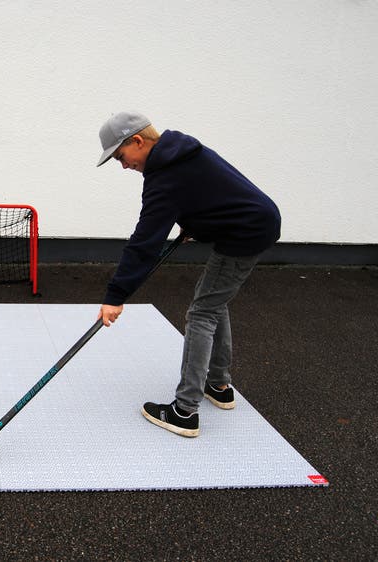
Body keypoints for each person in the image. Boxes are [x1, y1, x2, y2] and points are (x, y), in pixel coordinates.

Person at [95, 111, 281, 437]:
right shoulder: (182, 152)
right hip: (255, 224)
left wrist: (115, 296)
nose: (123, 166)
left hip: (245, 234)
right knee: (213, 302)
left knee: (202, 313)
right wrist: (195, 224)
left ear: (137, 141)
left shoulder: (165, 176)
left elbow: (144, 243)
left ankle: (184, 411)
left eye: (121, 157)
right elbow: (211, 195)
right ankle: (218, 385)